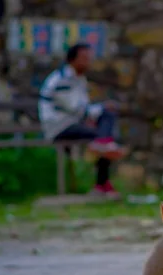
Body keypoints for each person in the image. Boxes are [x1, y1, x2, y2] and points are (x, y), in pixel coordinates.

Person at [38, 42, 126, 199]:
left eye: (90, 58)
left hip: (73, 123)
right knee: (104, 125)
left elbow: (82, 110)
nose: (89, 62)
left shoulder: (79, 79)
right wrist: (100, 109)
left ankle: (103, 153)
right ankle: (102, 180)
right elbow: (77, 109)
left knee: (105, 127)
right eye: (84, 58)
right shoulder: (62, 80)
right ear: (72, 60)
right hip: (59, 127)